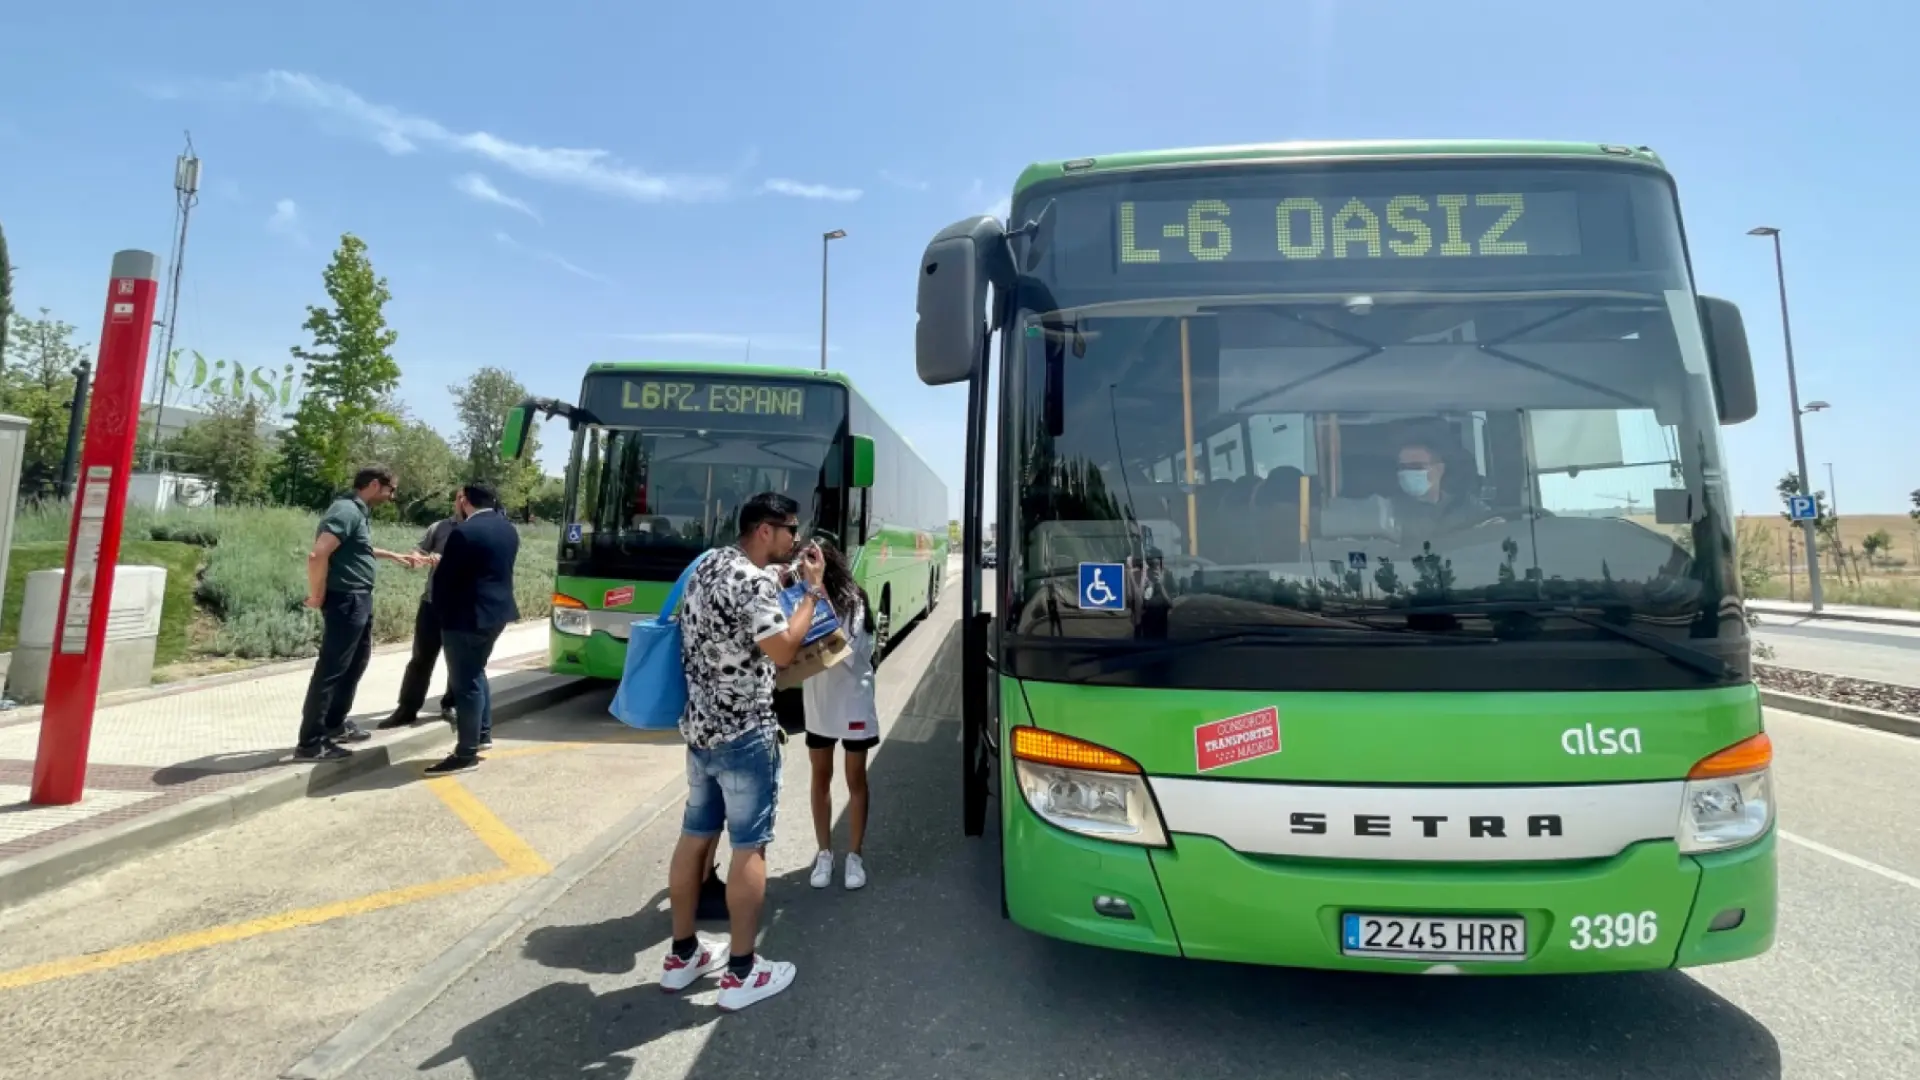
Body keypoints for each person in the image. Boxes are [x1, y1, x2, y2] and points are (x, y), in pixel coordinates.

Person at [660, 492, 823, 1011]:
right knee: (750, 846)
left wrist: (791, 576)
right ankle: (742, 972)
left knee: (694, 836)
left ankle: (682, 955)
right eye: (789, 529)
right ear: (764, 531)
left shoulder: (711, 563)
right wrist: (813, 594)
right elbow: (782, 649)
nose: (795, 538)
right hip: (745, 733)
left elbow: (743, 602)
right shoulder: (753, 582)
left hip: (701, 729)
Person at [295, 465, 419, 762]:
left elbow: (355, 548)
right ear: (375, 485)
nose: (392, 496)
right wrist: (316, 594)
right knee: (332, 669)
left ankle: (334, 724)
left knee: (355, 663)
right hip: (346, 600)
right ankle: (310, 743)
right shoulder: (346, 511)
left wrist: (393, 555)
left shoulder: (357, 512)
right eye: (391, 490)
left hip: (358, 599)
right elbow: (318, 554)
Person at [422, 483, 521, 776]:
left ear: (464, 501)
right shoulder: (508, 529)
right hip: (497, 614)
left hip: (466, 617)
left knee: (465, 682)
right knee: (476, 672)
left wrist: (439, 612)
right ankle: (482, 735)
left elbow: (445, 580)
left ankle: (465, 753)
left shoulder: (463, 533)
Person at [803, 541, 880, 891]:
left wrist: (818, 596)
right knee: (820, 777)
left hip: (852, 701)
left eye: (810, 563)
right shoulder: (803, 597)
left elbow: (846, 651)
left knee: (855, 779)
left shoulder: (855, 598)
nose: (804, 570)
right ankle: (824, 853)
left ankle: (854, 855)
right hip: (819, 700)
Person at [378, 497, 462, 729]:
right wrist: (415, 557)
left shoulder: (478, 530)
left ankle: (451, 704)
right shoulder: (439, 527)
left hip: (461, 606)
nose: (460, 502)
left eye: (465, 498)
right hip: (431, 603)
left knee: (457, 660)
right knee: (420, 658)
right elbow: (420, 549)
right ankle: (407, 708)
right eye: (457, 497)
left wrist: (443, 561)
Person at [1392, 432, 1490, 541]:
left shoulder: (1466, 506)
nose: (1407, 472)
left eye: (1416, 466)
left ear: (1439, 469)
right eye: (1403, 467)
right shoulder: (1387, 511)